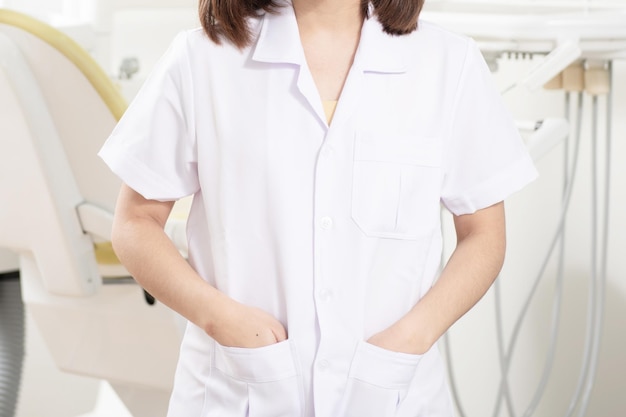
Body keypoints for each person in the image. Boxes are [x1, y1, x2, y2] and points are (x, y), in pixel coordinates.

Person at [99, 0, 538, 415]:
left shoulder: (448, 63)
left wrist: (411, 337)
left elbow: (483, 235)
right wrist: (219, 318)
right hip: (236, 392)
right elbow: (136, 222)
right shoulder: (202, 59)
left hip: (392, 392)